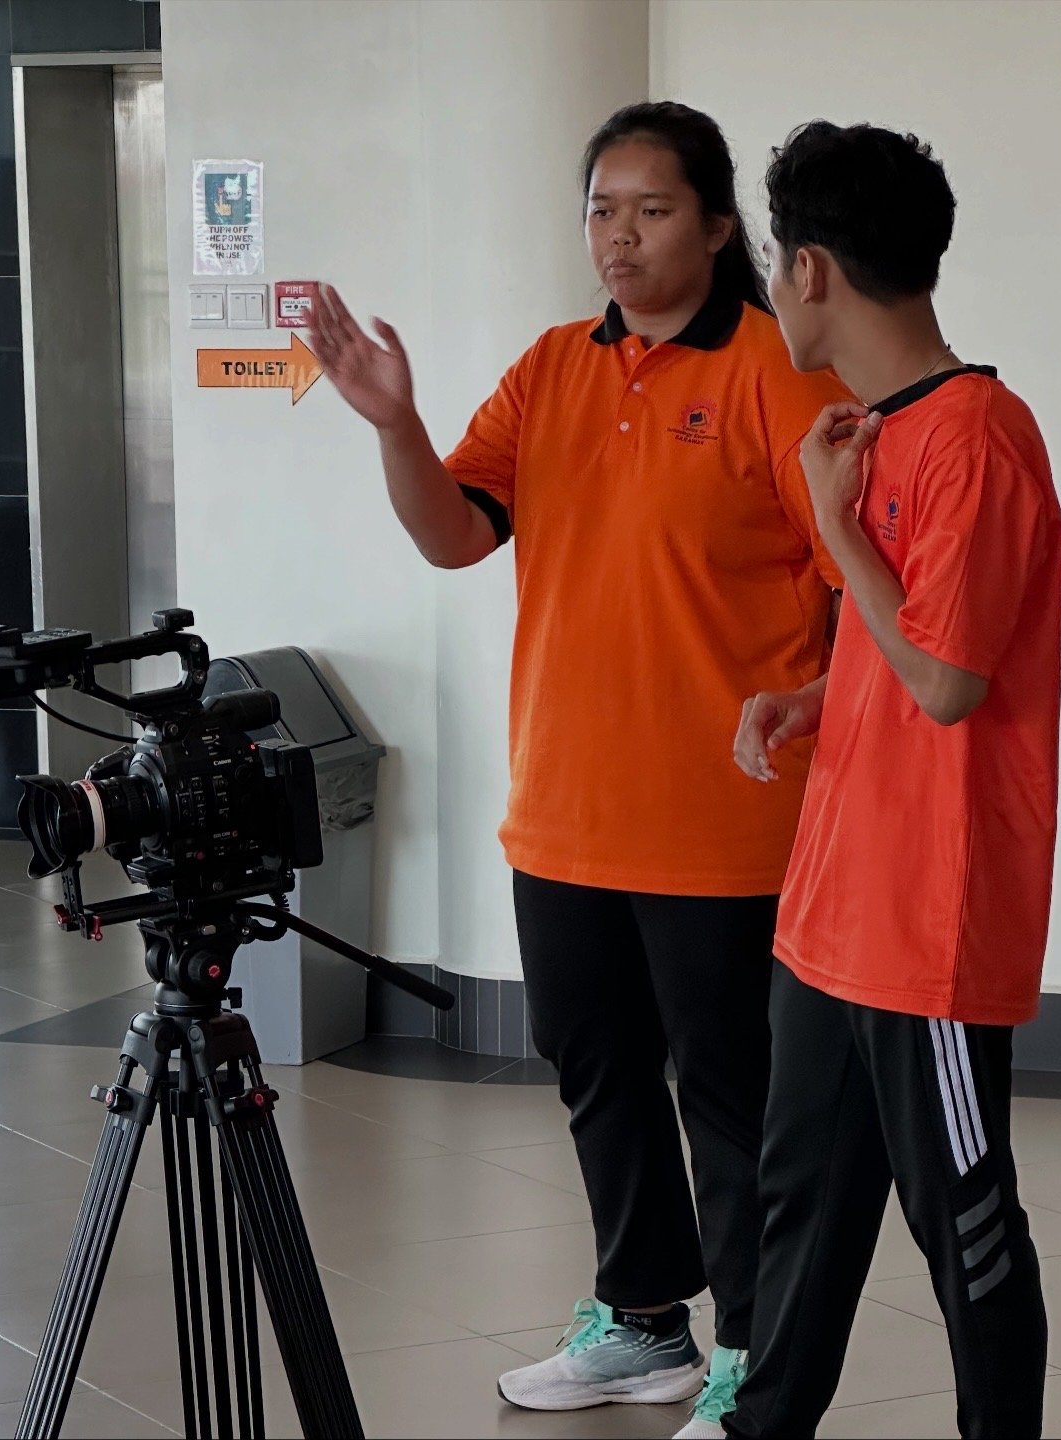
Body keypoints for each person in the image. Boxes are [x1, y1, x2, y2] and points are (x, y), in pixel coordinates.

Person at [308, 102, 850, 1434]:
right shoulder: (552, 367)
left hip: (724, 822)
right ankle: (644, 1321)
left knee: (730, 1097)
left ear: (721, 226)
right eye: (601, 207)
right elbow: (455, 535)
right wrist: (395, 425)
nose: (619, 234)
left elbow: (860, 592)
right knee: (596, 1070)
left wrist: (813, 700)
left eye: (651, 208)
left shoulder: (781, 373)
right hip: (562, 814)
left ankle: (755, 1360)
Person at [720, 121, 1061, 1439]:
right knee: (798, 1207)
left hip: (928, 925)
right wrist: (813, 697)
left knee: (964, 1229)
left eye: (769, 259)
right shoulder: (875, 431)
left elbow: (951, 683)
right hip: (831, 918)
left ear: (810, 271)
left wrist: (835, 532)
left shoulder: (978, 435)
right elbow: (900, 654)